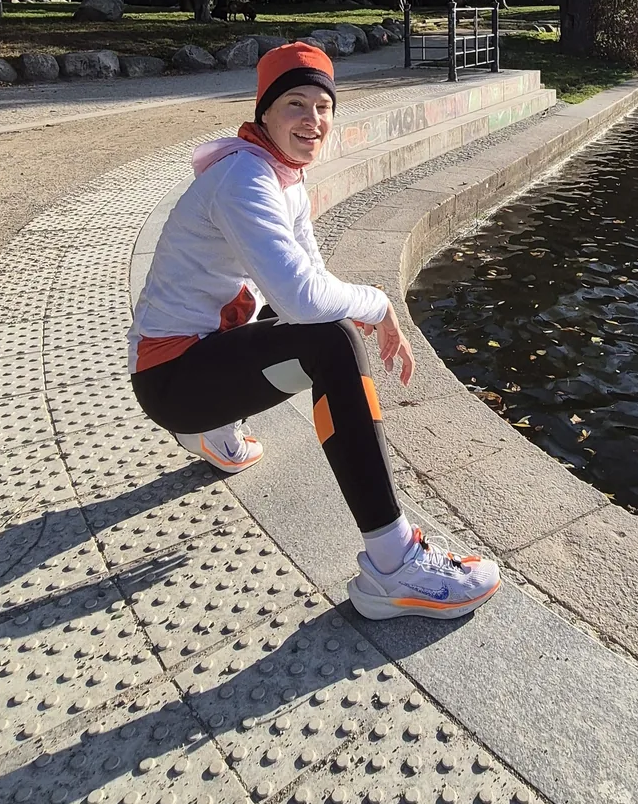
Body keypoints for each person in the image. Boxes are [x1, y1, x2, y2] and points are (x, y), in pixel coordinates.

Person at [128, 41, 500, 621]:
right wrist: (378, 304)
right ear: (264, 113)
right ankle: (393, 563)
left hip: (197, 362)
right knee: (334, 342)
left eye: (323, 106)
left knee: (323, 323)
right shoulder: (244, 179)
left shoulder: (282, 176)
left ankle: (213, 432)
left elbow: (311, 281)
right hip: (172, 380)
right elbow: (303, 299)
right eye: (295, 105)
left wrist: (358, 306)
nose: (313, 120)